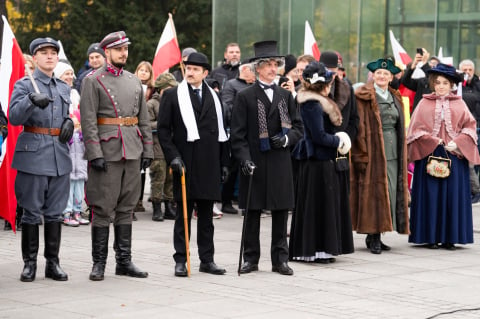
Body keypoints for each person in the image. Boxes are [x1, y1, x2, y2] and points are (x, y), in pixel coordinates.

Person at [80, 31, 154, 281]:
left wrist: (148, 149)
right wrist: (94, 153)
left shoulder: (134, 81)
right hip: (107, 150)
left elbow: (143, 119)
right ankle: (98, 263)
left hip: (132, 149)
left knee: (127, 207)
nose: (124, 53)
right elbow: (88, 120)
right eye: (118, 49)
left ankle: (124, 261)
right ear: (107, 52)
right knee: (102, 208)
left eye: (126, 49)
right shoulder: (93, 80)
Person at [230, 40, 303, 275]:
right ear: (258, 68)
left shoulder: (285, 95)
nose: (273, 69)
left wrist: (287, 139)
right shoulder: (245, 96)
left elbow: (298, 128)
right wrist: (244, 159)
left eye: (276, 64)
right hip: (256, 162)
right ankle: (251, 259)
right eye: (268, 65)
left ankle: (280, 260)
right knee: (252, 212)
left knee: (281, 212)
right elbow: (238, 135)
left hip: (281, 162)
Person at [157, 52, 229, 277]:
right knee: (183, 216)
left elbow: (222, 131)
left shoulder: (215, 97)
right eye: (188, 68)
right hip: (185, 163)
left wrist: (224, 163)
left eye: (196, 69)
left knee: (207, 216)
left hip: (209, 163)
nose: (190, 72)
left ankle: (207, 260)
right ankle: (181, 259)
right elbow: (163, 131)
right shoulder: (172, 95)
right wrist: (173, 157)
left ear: (205, 73)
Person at [9, 37, 74, 282]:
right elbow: (14, 118)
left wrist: (68, 122)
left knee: (56, 213)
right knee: (31, 212)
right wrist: (29, 101)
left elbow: (66, 115)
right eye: (43, 52)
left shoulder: (63, 87)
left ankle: (53, 263)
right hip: (34, 154)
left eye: (52, 53)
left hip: (59, 153)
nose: (49, 56)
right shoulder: (25, 85)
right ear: (34, 58)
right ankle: (30, 263)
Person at [407, 63, 480, 249]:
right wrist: (431, 140)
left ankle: (450, 237)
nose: (440, 86)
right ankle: (430, 236)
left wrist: (459, 141)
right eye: (437, 82)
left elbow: (470, 127)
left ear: (451, 85)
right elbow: (415, 129)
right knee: (431, 197)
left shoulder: (460, 103)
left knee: (452, 197)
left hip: (454, 155)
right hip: (430, 154)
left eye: (445, 83)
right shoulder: (424, 102)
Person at [289, 61, 354, 263]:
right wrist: (339, 141)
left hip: (322, 160)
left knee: (324, 205)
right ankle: (315, 250)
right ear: (322, 85)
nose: (330, 86)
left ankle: (323, 248)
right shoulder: (311, 105)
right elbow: (317, 136)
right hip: (315, 161)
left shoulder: (317, 102)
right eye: (328, 82)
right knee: (316, 206)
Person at [350, 58, 409, 254]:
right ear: (373, 76)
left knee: (390, 193)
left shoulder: (395, 96)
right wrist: (361, 153)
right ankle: (372, 236)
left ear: (391, 77)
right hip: (373, 150)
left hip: (392, 151)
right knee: (374, 194)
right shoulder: (364, 95)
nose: (382, 77)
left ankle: (380, 233)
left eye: (386, 74)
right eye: (378, 74)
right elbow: (358, 128)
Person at [53, 61, 88, 227]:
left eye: (70, 73)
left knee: (80, 178)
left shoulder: (75, 93)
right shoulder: (56, 92)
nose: (69, 77)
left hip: (79, 142)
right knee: (67, 179)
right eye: (65, 74)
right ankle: (65, 212)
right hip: (66, 141)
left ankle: (77, 210)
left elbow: (82, 112)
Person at [220, 62, 256, 215]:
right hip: (236, 131)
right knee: (233, 168)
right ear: (246, 70)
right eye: (253, 71)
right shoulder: (231, 85)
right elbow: (227, 106)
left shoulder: (255, 85)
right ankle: (226, 201)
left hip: (252, 133)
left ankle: (248, 203)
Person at [147, 73, 177, 221]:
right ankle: (156, 207)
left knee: (170, 178)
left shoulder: (176, 102)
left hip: (171, 147)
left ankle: (169, 206)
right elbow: (146, 124)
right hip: (157, 147)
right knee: (158, 178)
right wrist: (163, 124)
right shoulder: (152, 104)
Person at [133, 61, 155, 217]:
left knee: (143, 168)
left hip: (148, 133)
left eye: (146, 71)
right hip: (133, 132)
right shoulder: (131, 86)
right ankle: (132, 201)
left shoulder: (153, 92)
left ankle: (140, 200)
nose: (143, 73)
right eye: (141, 70)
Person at [458, 59, 480, 204]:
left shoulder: (478, 85)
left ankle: (475, 191)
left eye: (469, 70)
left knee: (475, 161)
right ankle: (473, 190)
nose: (467, 73)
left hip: (477, 127)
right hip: (462, 128)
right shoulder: (456, 86)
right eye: (464, 70)